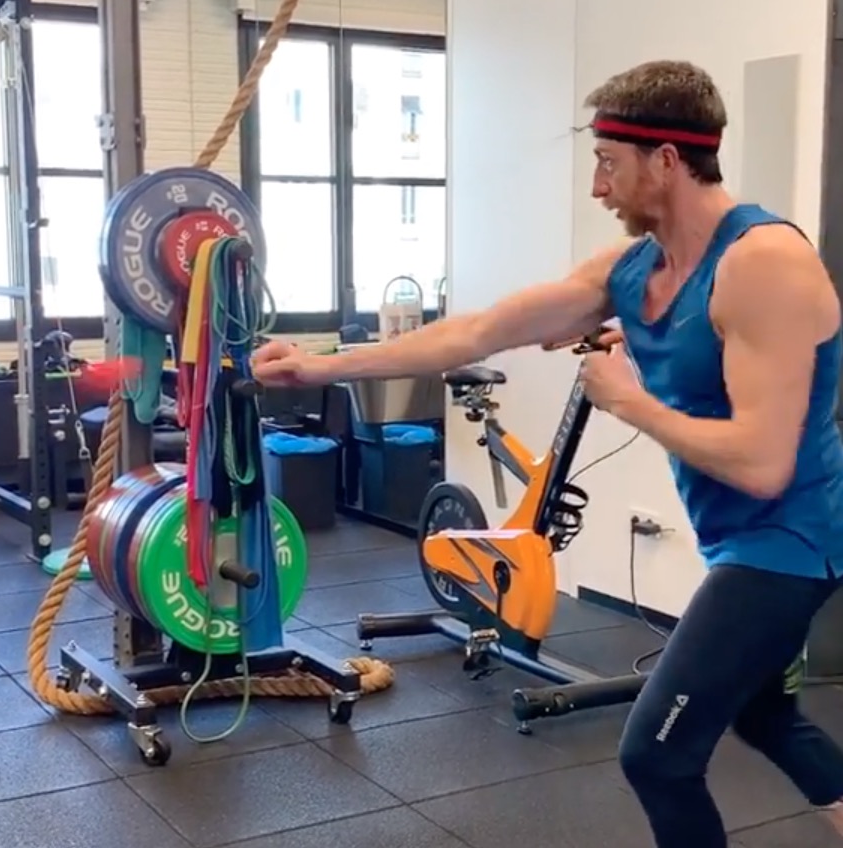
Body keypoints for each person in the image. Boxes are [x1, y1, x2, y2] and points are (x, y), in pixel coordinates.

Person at [251, 59, 843, 847]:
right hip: (738, 535)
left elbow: (764, 464)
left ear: (667, 159)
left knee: (657, 756)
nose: (598, 188)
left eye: (609, 164)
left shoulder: (763, 265)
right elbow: (478, 330)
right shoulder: (635, 270)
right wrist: (319, 366)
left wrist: (628, 398)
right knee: (766, 715)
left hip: (791, 541)